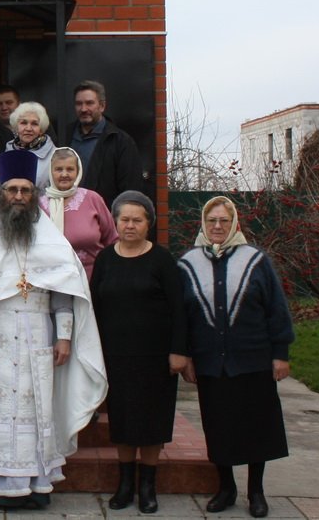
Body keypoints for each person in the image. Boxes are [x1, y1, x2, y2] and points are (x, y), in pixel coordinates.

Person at [0, 150, 106, 511]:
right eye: (12, 189)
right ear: (1, 194)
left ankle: (34, 484)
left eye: (25, 190)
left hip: (37, 334)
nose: (18, 196)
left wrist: (63, 335)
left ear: (34, 195)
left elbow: (65, 290)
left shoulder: (50, 239)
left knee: (36, 409)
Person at [178, 196, 294, 519]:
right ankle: (226, 488)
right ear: (204, 223)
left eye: (224, 221)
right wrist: (186, 355)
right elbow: (181, 317)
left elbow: (276, 310)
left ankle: (256, 492)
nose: (217, 226)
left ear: (235, 224)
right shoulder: (187, 264)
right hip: (211, 363)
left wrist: (280, 354)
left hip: (254, 360)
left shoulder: (256, 260)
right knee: (218, 427)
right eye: (212, 221)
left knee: (258, 426)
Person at [90, 191, 187, 513]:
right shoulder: (105, 259)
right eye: (124, 219)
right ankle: (125, 484)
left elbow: (179, 310)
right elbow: (95, 308)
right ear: (115, 222)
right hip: (117, 357)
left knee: (151, 423)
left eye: (137, 220)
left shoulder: (162, 261)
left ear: (149, 224)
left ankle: (148, 487)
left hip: (155, 358)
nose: (130, 225)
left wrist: (179, 351)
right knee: (123, 422)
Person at [41, 148, 117, 279]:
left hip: (93, 279)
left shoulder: (93, 199)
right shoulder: (39, 205)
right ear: (51, 172)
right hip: (53, 282)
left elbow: (112, 240)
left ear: (78, 171)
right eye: (58, 169)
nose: (64, 174)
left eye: (70, 169)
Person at [68, 80, 144, 208]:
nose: (83, 109)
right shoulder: (65, 136)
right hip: (66, 218)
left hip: (102, 220)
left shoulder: (121, 142)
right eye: (79, 104)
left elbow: (130, 191)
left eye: (89, 103)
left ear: (102, 106)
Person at [0, 101, 56, 194]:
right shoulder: (5, 155)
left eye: (34, 124)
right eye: (24, 123)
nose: (28, 128)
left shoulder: (55, 156)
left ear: (41, 129)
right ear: (16, 127)